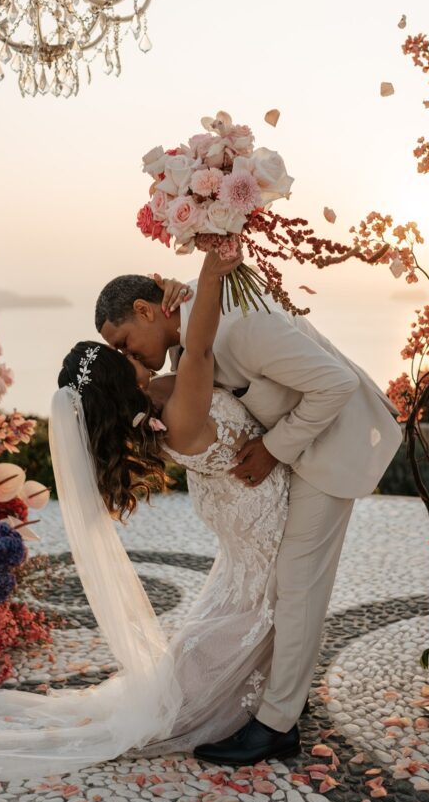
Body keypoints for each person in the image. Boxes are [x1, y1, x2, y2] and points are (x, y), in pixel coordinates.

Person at [0, 247, 299, 783]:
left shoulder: (158, 408)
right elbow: (200, 350)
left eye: (121, 344)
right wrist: (209, 270)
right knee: (200, 688)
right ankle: (270, 713)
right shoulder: (179, 416)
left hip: (244, 545)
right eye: (121, 353)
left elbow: (187, 350)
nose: (129, 352)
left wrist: (171, 309)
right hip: (267, 540)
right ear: (120, 382)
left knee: (195, 667)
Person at [96, 260, 403, 765]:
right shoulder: (185, 325)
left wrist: (275, 449)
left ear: (147, 311)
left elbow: (335, 384)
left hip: (326, 444)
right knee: (283, 585)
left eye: (127, 343)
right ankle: (284, 696)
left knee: (297, 585)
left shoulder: (241, 328)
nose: (131, 357)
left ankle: (275, 727)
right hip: (297, 448)